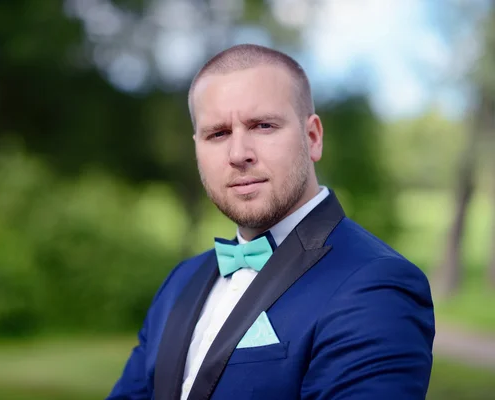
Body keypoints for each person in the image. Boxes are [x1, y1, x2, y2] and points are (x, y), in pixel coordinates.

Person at [107, 43, 435, 400]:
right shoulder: (180, 283)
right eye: (217, 134)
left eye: (262, 126)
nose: (238, 154)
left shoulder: (376, 284)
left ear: (312, 138)